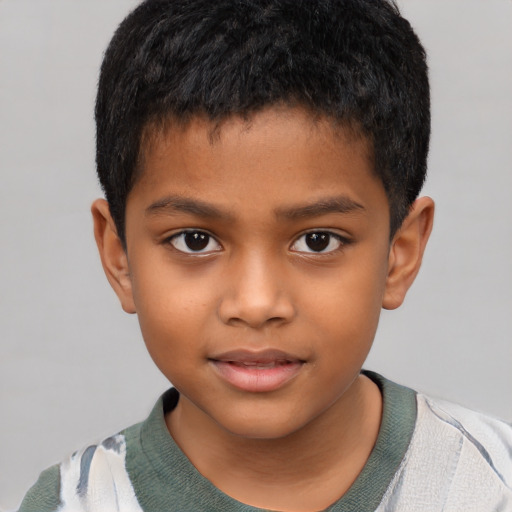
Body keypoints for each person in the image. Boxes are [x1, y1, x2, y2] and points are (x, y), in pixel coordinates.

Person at [18, 0, 512, 510]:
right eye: (195, 240)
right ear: (119, 256)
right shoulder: (74, 502)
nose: (256, 304)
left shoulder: (490, 486)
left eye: (318, 240)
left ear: (399, 254)